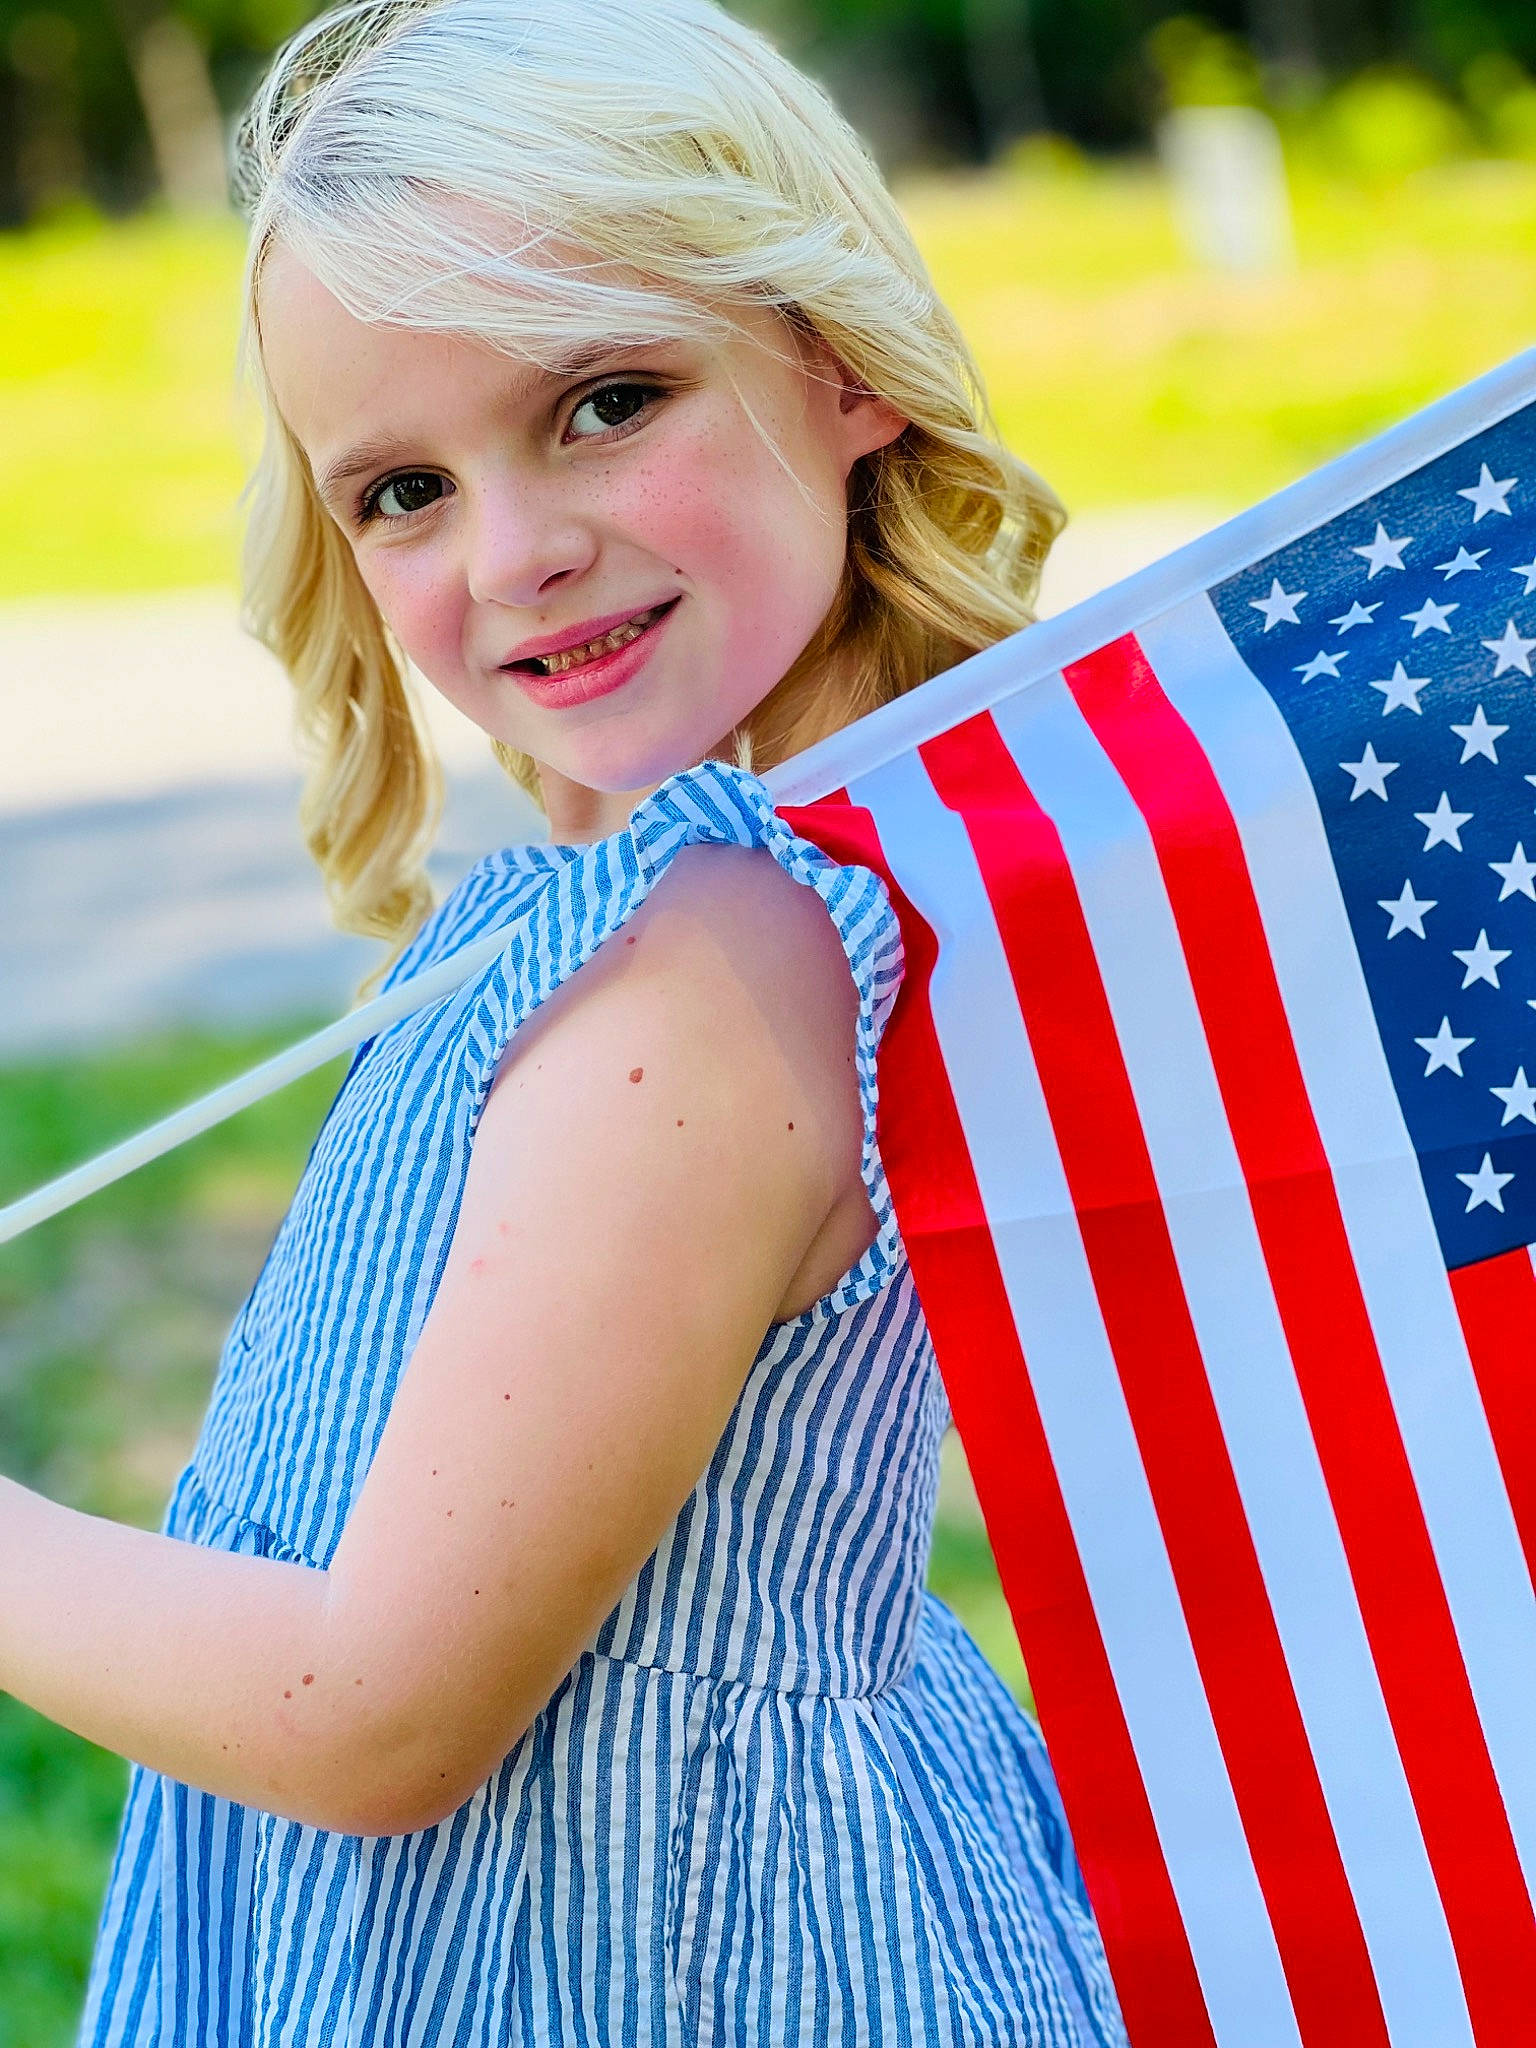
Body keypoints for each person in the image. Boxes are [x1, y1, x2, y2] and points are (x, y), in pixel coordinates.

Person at [7, 0, 1128, 2038]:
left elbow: (374, 1709)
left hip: (643, 1951)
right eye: (403, 489)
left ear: (839, 361)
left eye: (607, 401)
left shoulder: (709, 974)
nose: (514, 553)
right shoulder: (635, 914)